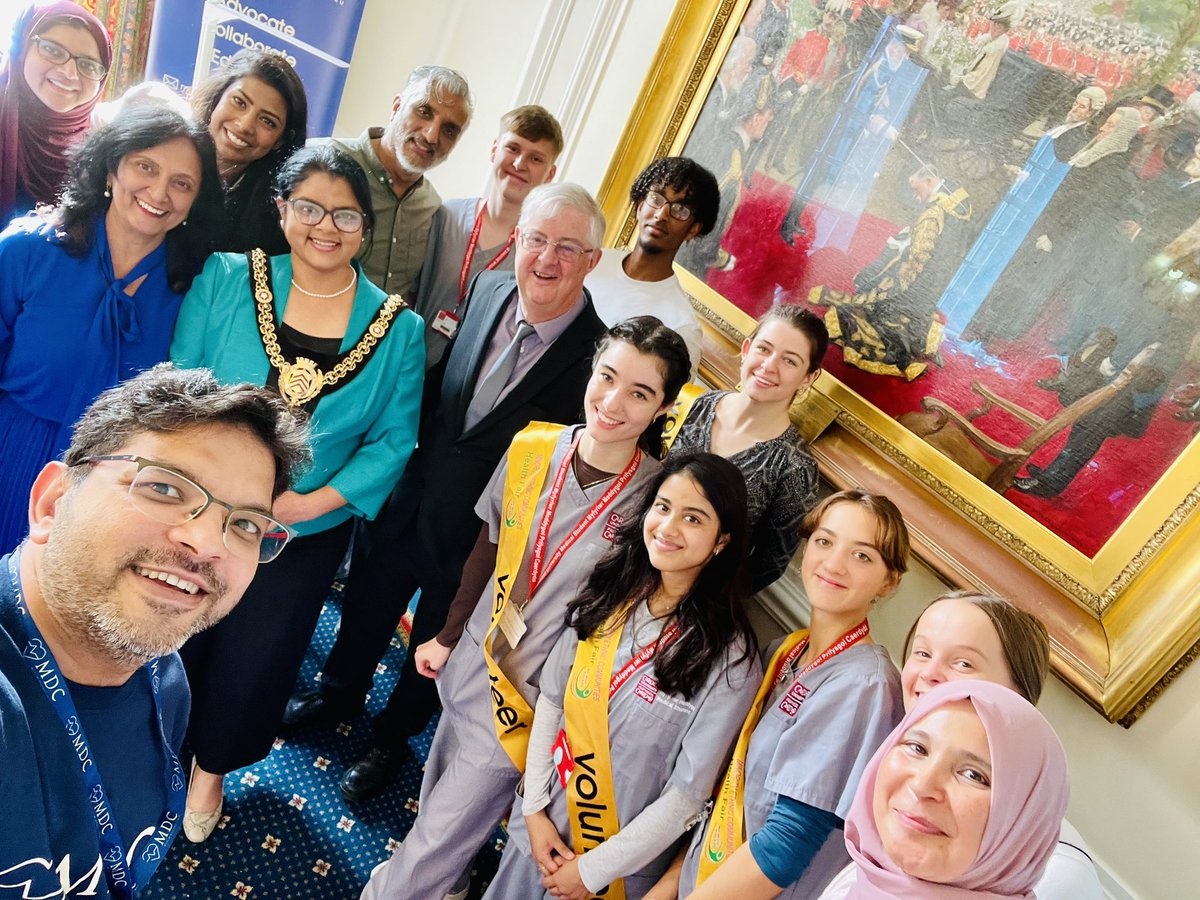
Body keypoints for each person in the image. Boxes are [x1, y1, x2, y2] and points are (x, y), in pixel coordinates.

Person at [282, 183, 608, 801]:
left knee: (437, 643)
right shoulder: (487, 290)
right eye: (536, 240)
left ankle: (391, 738)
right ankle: (338, 694)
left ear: (592, 260)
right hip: (410, 499)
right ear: (517, 241)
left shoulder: (598, 354)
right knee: (366, 607)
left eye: (568, 247)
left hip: (480, 538)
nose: (547, 259)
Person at [360, 316, 691, 900]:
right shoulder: (534, 446)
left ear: (664, 408)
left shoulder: (654, 499)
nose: (613, 402)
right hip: (473, 660)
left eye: (640, 393)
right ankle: (453, 886)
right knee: (440, 797)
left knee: (438, 835)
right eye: (607, 377)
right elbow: (487, 547)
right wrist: (447, 633)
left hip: (535, 698)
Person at [168, 144, 426, 842]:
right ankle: (156, 749)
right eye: (309, 207)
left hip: (302, 534)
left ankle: (209, 773)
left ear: (365, 228)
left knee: (256, 658)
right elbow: (177, 387)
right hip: (201, 510)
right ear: (282, 210)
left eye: (346, 214)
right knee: (174, 629)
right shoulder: (227, 279)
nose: (326, 226)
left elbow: (392, 442)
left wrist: (309, 505)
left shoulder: (398, 329)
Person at [0, 364, 308, 899]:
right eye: (165, 486)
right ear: (51, 503)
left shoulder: (164, 676)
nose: (209, 543)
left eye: (245, 525)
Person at [481, 452, 761, 899]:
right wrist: (533, 810)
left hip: (611, 876)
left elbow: (687, 796)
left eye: (693, 518)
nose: (668, 528)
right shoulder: (612, 591)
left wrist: (592, 871)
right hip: (540, 835)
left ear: (721, 541)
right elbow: (553, 702)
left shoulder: (731, 659)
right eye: (663, 507)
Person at [664, 489, 911, 899]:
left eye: (862, 555)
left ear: (889, 581)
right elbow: (725, 791)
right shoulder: (784, 651)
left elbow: (787, 845)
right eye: (825, 541)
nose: (834, 563)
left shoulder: (865, 685)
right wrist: (667, 887)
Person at [0, 106, 223, 553]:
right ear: (111, 168)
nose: (159, 192)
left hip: (115, 480)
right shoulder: (27, 250)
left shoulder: (194, 288)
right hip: (11, 449)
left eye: (182, 183)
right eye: (146, 166)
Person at [816, 680, 1069, 899]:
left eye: (973, 775)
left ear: (1024, 827)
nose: (922, 784)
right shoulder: (862, 877)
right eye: (917, 748)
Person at [665, 305, 826, 591]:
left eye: (789, 361)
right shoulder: (690, 404)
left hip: (695, 600)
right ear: (747, 348)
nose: (769, 366)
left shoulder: (795, 468)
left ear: (808, 377)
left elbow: (768, 566)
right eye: (764, 349)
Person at [412, 104, 562, 369]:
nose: (519, 164)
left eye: (535, 158)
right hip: (403, 368)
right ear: (494, 150)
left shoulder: (537, 257)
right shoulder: (445, 215)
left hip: (462, 395)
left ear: (550, 174)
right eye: (513, 148)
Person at [809, 165, 972, 381]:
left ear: (930, 181)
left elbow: (918, 257)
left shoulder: (933, 213)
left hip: (916, 284)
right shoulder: (956, 202)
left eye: (917, 189)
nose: (916, 196)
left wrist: (893, 282)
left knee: (864, 310)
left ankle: (898, 350)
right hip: (936, 282)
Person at [331, 64, 472, 297]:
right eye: (424, 112)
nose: (431, 136)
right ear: (397, 107)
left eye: (449, 130)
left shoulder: (431, 207)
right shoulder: (325, 162)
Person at [585, 157, 718, 375]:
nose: (661, 214)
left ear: (693, 229)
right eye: (656, 198)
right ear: (639, 206)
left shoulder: (680, 327)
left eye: (680, 209)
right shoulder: (589, 261)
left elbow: (663, 406)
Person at [0, 0, 112, 222]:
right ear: (23, 48)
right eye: (52, 50)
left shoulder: (103, 153)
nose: (69, 72)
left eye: (88, 65)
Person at [191, 48, 308, 255]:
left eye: (267, 121)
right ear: (217, 97)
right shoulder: (165, 153)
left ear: (280, 140)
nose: (245, 125)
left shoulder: (275, 222)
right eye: (239, 102)